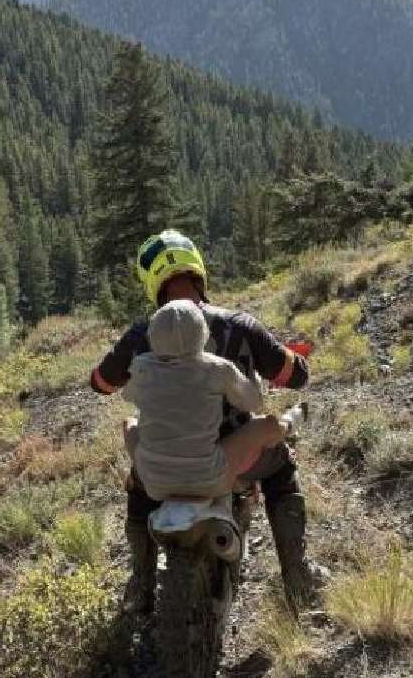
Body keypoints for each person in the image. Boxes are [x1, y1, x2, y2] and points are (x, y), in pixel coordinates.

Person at [90, 229, 316, 614]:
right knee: (280, 469)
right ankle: (297, 578)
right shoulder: (240, 326)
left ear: (154, 285)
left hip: (165, 462)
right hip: (233, 460)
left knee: (138, 483)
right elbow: (295, 376)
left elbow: (101, 384)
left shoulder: (141, 337)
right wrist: (294, 359)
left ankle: (141, 583)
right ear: (198, 272)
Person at [121, 299, 303, 501]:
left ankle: (136, 480)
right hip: (208, 478)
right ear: (202, 333)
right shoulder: (216, 368)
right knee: (265, 424)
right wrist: (255, 380)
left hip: (153, 482)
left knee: (129, 423)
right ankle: (291, 422)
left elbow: (127, 395)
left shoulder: (141, 366)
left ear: (153, 334)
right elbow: (253, 403)